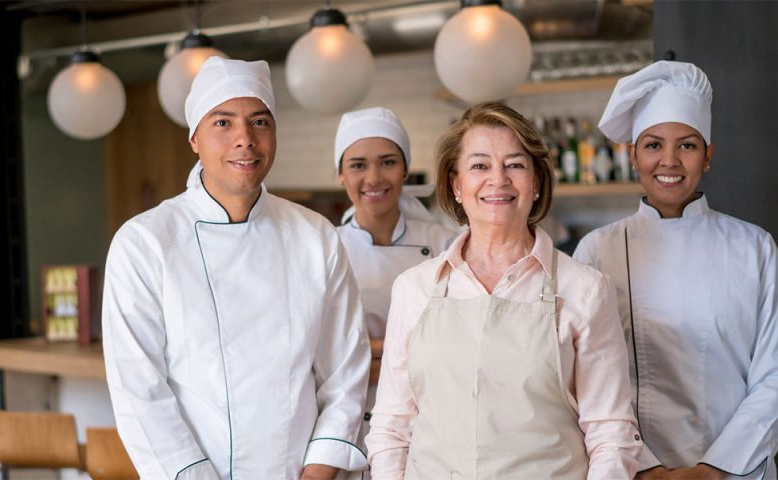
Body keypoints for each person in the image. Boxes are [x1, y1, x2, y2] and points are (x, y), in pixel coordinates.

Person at [102, 57, 371, 480]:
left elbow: (346, 374)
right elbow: (139, 392)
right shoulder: (145, 243)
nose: (245, 139)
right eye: (223, 122)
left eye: (260, 122)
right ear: (194, 138)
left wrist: (317, 474)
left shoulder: (316, 237)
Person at [365, 101, 642, 479]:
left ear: (537, 181)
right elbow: (392, 429)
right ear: (456, 185)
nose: (498, 179)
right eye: (480, 165)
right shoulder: (414, 289)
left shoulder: (585, 290)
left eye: (514, 164)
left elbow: (611, 433)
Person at [573, 61, 778, 479]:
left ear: (708, 156)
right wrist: (649, 469)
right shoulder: (597, 250)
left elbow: (774, 375)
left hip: (740, 469)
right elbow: (583, 378)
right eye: (652, 145)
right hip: (632, 469)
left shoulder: (754, 246)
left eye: (687, 145)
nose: (669, 161)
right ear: (632, 155)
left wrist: (712, 469)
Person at [333, 106, 457, 449]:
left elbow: (462, 343)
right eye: (358, 165)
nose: (373, 178)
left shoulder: (446, 245)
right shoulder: (325, 248)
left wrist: (376, 357)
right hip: (350, 421)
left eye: (388, 162)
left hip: (431, 419)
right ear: (340, 174)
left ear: (405, 170)